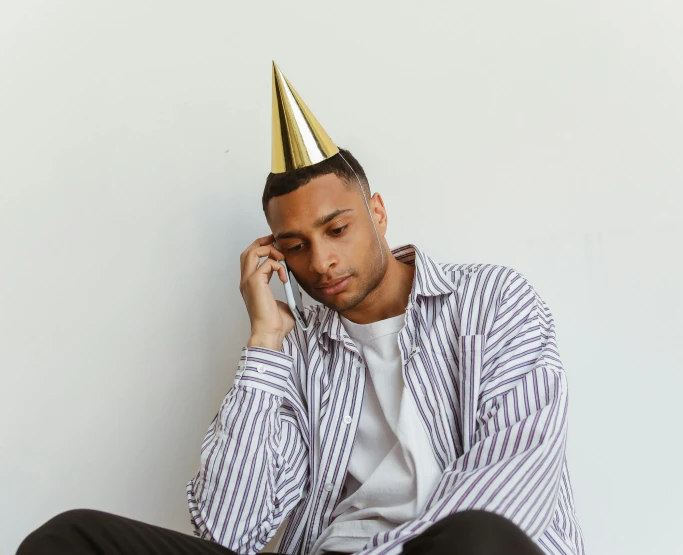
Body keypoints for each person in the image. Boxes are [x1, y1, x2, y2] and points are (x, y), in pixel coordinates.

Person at [16, 63, 584, 555]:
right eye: (296, 246)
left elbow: (511, 490)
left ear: (377, 213)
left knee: (479, 539)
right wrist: (265, 341)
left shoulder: (493, 303)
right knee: (69, 540)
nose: (323, 261)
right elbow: (228, 530)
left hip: (447, 550)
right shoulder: (297, 352)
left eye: (337, 229)